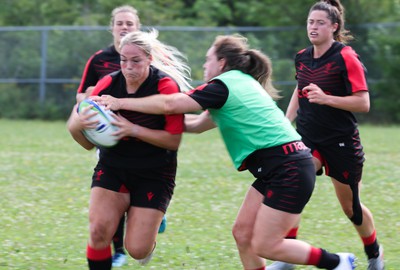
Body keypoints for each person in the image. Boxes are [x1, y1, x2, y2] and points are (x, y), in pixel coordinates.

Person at [93, 33, 357, 269]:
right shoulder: (237, 84)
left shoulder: (222, 85)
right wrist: (141, 125)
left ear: (221, 63)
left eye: (208, 59)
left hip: (287, 166)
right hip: (279, 166)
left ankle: (338, 262)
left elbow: (173, 103)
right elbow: (195, 124)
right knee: (242, 234)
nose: (204, 65)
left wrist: (120, 102)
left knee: (266, 245)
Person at [67, 29, 191, 269]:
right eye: (124, 60)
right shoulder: (109, 83)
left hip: (154, 172)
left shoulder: (165, 85)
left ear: (149, 59)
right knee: (98, 231)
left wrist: (132, 129)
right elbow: (87, 143)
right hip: (113, 167)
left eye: (136, 61)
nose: (128, 67)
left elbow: (173, 141)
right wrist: (75, 126)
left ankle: (149, 222)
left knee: (137, 249)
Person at [282, 1, 384, 269]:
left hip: (340, 141)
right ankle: (288, 255)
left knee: (352, 209)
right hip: (306, 137)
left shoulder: (346, 57)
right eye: (310, 22)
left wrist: (326, 99)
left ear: (334, 27)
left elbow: (363, 103)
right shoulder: (302, 56)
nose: (313, 27)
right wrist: (285, 121)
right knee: (291, 189)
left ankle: (374, 253)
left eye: (320, 23)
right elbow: (299, 88)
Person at [75, 5, 167, 267]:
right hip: (110, 135)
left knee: (138, 191)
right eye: (119, 23)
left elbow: (174, 99)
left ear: (137, 27)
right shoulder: (99, 59)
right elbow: (82, 94)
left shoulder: (154, 58)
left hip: (150, 143)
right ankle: (116, 250)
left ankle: (151, 215)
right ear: (112, 27)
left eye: (129, 23)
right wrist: (92, 109)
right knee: (108, 202)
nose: (124, 27)